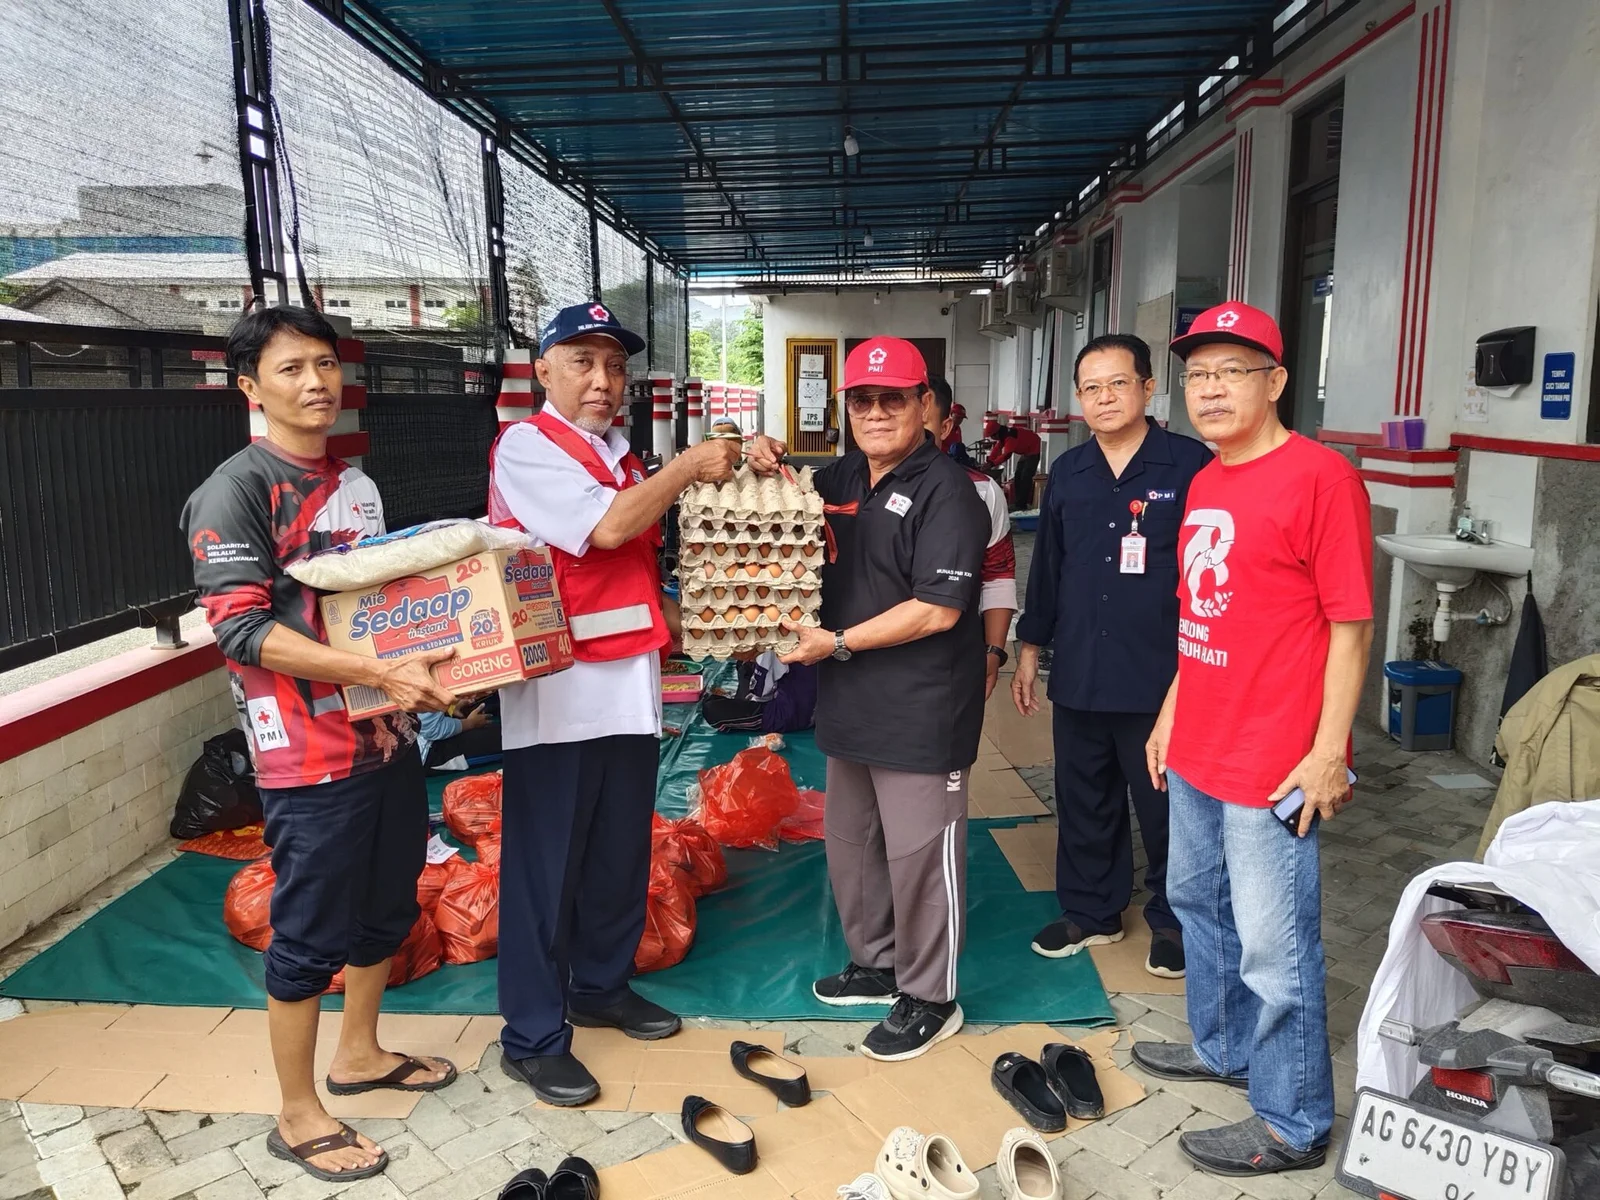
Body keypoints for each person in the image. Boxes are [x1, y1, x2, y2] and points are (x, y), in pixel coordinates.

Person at [182, 306, 456, 1182]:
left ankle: (361, 1053)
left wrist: (439, 659)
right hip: (306, 751)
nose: (315, 383)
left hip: (385, 734)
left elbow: (375, 607)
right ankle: (297, 1111)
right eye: (292, 368)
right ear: (250, 388)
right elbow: (241, 630)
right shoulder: (237, 490)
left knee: (388, 903)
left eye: (325, 366)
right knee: (307, 931)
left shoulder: (358, 487)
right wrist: (368, 670)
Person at [486, 301, 785, 1106]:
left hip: (628, 690)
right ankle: (533, 1035)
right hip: (556, 696)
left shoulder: (618, 455)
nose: (601, 380)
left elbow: (634, 584)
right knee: (545, 870)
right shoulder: (530, 448)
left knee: (618, 852)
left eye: (614, 366)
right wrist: (688, 465)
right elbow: (610, 533)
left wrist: (731, 626)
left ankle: (601, 986)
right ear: (543, 370)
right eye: (581, 362)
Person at [1134, 302, 1373, 1177]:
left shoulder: (1323, 479)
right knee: (1200, 906)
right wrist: (1169, 713)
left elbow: (1349, 628)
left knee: (1277, 948)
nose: (1211, 389)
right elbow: (1201, 619)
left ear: (1275, 382)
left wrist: (1329, 751)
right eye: (1199, 374)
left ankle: (1294, 1121)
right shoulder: (1207, 478)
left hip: (1276, 756)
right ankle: (1225, 1047)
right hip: (1199, 740)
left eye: (1232, 371)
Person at [776, 337, 989, 1062]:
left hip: (923, 710)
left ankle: (931, 995)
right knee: (854, 847)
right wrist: (759, 465)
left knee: (922, 858)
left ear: (925, 405)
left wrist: (835, 644)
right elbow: (786, 501)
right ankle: (875, 962)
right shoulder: (839, 477)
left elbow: (937, 610)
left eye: (893, 398)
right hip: (849, 703)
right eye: (861, 400)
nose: (875, 412)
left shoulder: (947, 491)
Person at [1011, 334, 1211, 978]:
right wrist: (1029, 647)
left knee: (1164, 806)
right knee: (1084, 796)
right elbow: (1049, 568)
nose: (1104, 398)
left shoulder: (1188, 466)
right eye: (1091, 388)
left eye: (1118, 384)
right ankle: (1091, 911)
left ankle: (1175, 920)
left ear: (1150, 389)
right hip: (1080, 670)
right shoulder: (1070, 470)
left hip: (1160, 674)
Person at [926, 375, 1017, 698]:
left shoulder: (981, 491)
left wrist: (993, 650)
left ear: (946, 427)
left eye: (922, 422)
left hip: (952, 660)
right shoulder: (855, 487)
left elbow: (998, 574)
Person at [416, 702, 499, 770]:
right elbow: (431, 729)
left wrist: (450, 707)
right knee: (504, 739)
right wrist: (470, 723)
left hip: (426, 731)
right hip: (429, 751)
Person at [984, 418, 1042, 511]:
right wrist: (989, 461)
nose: (992, 439)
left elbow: (1006, 455)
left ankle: (1021, 505)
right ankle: (1018, 503)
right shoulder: (1003, 435)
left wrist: (991, 464)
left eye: (992, 436)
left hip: (1034, 450)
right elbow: (996, 449)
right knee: (1018, 476)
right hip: (1026, 451)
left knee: (1025, 477)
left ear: (996, 434)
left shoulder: (1010, 437)